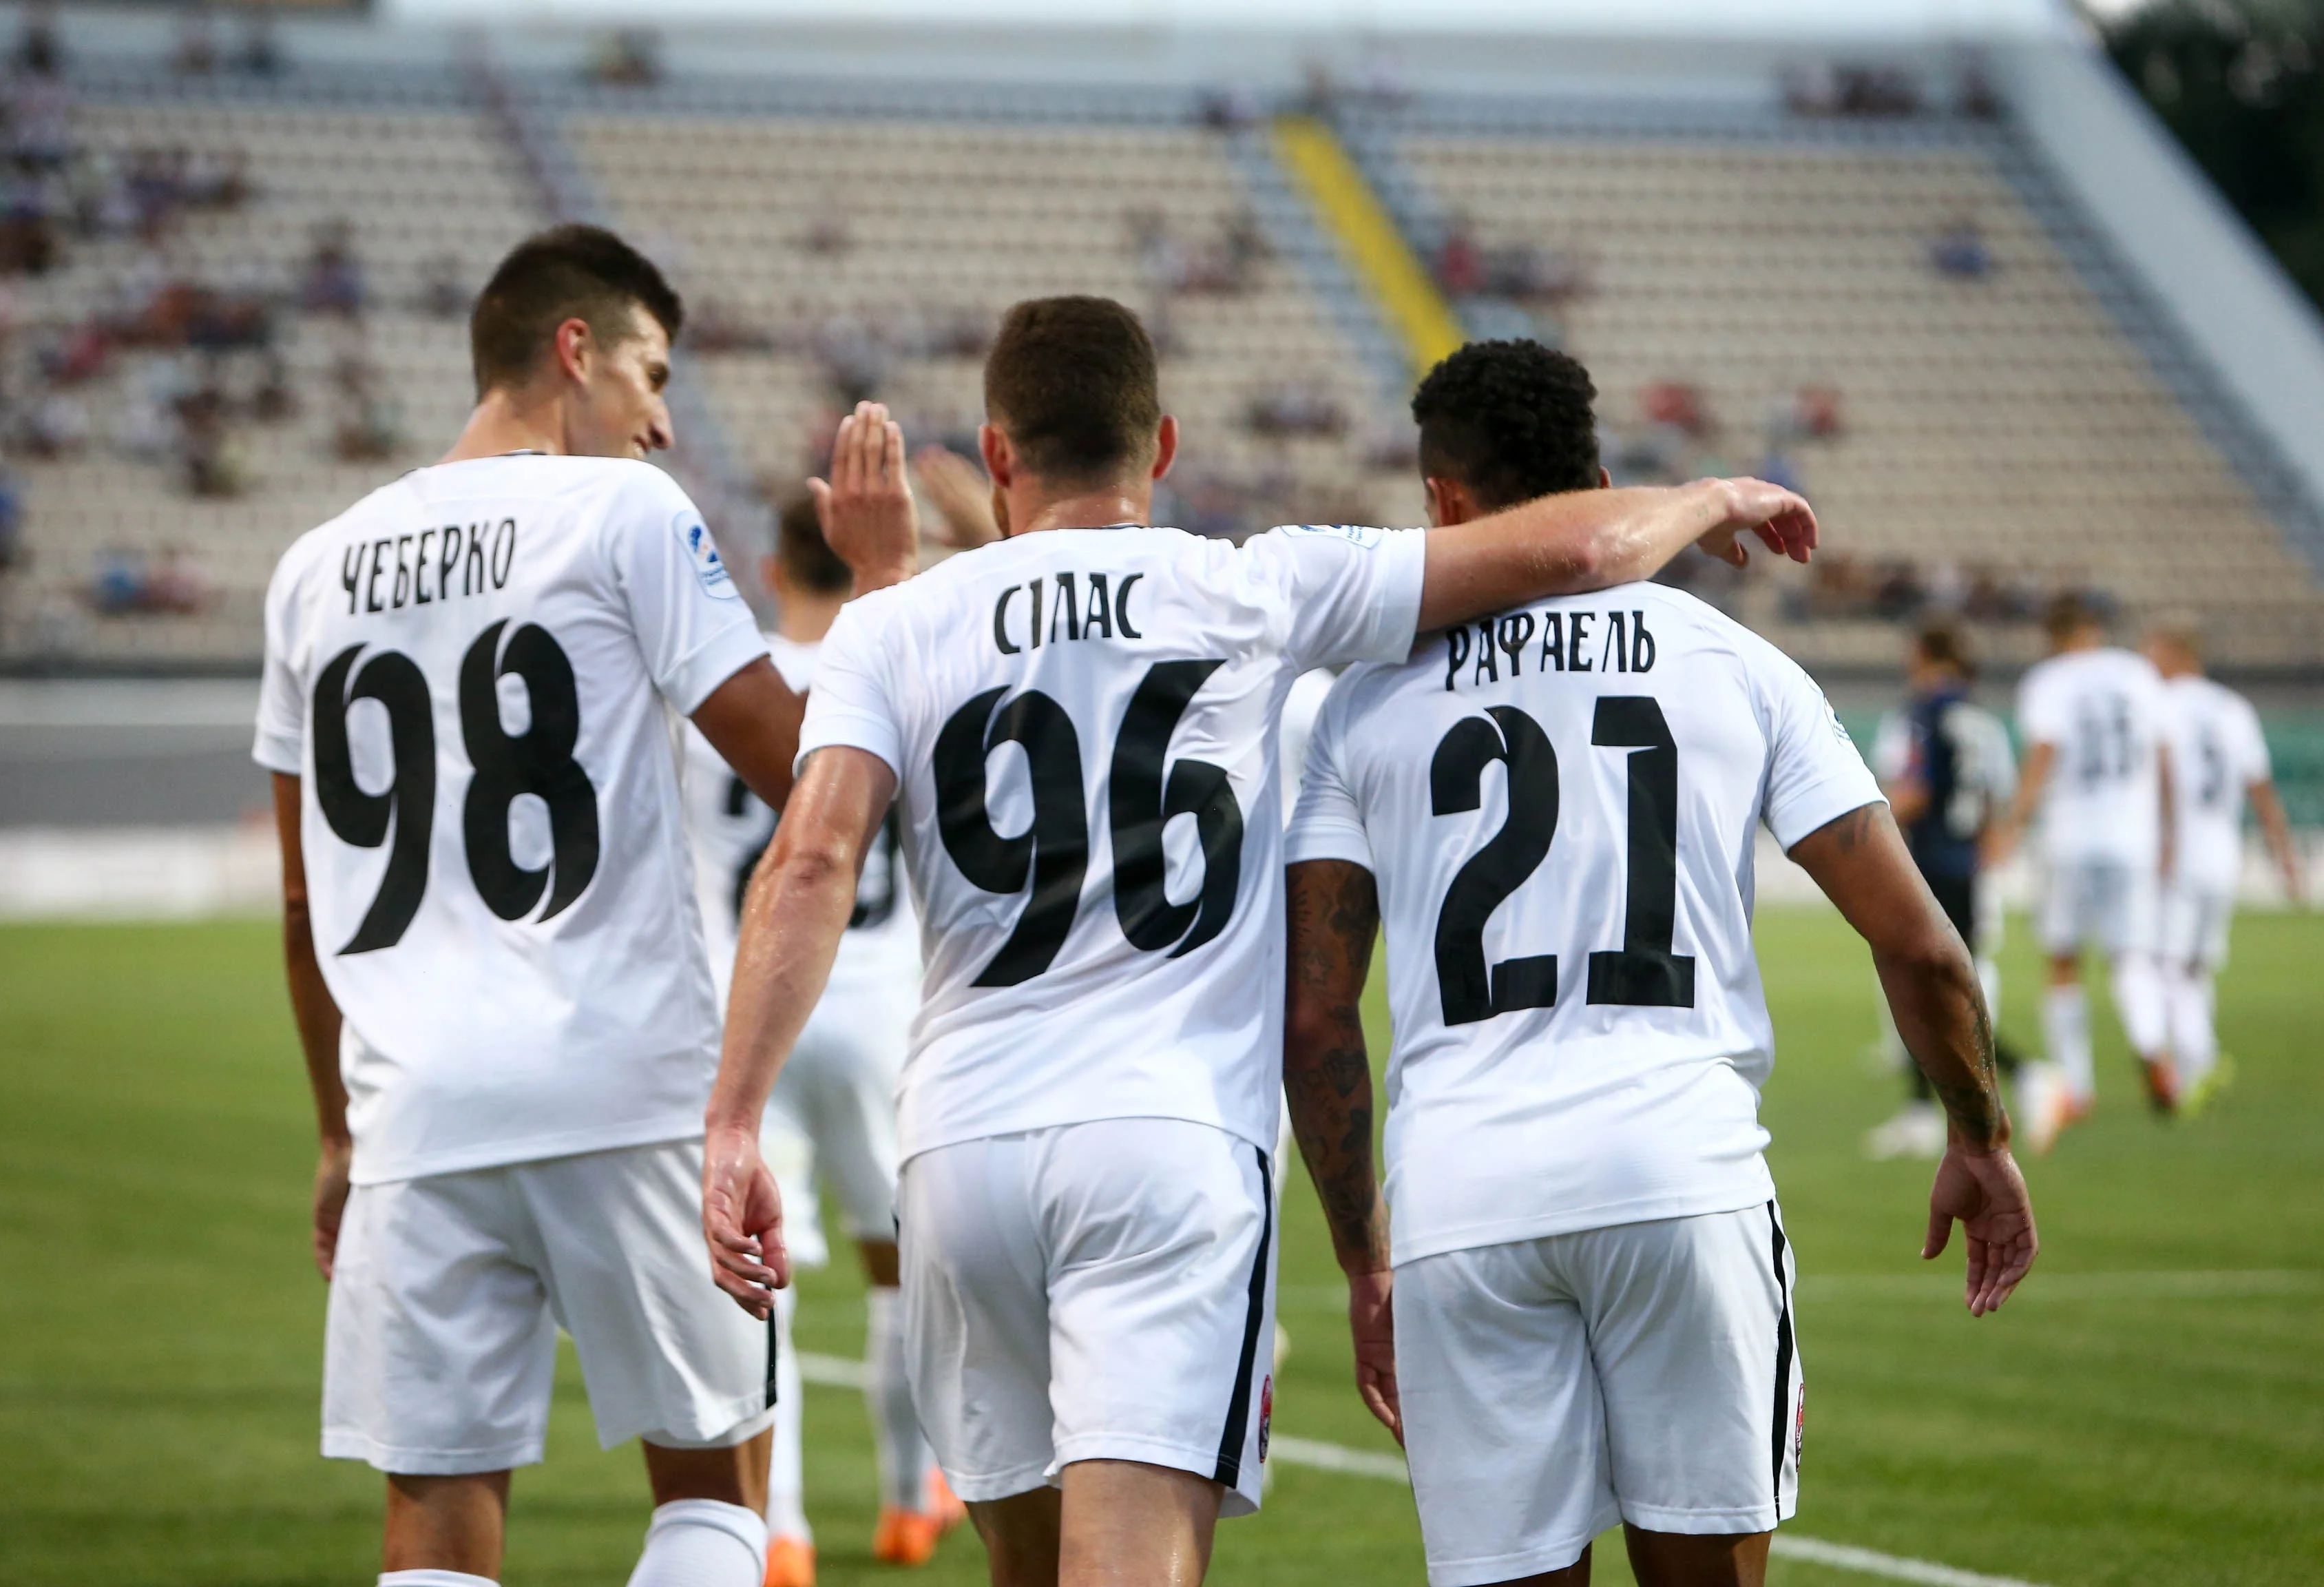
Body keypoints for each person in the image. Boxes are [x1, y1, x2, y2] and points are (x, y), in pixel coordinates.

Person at [697, 297, 1821, 1587]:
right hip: (1165, 1138)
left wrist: (734, 1120)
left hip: (960, 1146)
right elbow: (1576, 549)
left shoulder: (892, 623)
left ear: (999, 452)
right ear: (1163, 444)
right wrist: (1708, 494)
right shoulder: (1249, 583)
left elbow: (812, 858)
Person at [1281, 338, 2036, 1587]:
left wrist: (1365, 1258)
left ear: (1442, 503)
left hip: (1462, 1192)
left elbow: (1317, 1019)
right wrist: (1980, 1134)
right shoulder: (1733, 662)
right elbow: (1921, 945)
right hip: (1680, 1172)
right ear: (1599, 479)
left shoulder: (1359, 704)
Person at [253, 224, 912, 1587]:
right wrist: (888, 596)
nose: (662, 421)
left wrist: (335, 1130)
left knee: (434, 1522)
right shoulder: (624, 513)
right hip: (621, 1082)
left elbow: (304, 899)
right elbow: (801, 767)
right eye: (650, 374)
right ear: (574, 351)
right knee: (718, 1490)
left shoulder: (312, 567)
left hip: (411, 1108)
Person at [680, 495, 961, 1587]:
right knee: (906, 1272)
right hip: (878, 1003)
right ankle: (910, 1501)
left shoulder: (718, 686)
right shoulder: (900, 666)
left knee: (759, 1281)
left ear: (770, 567)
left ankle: (781, 1530)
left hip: (747, 1008)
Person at [1985, 594, 2175, 1153]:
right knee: (2131, 955)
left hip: (2070, 834)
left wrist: (2013, 825)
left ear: (2054, 635)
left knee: (2063, 959)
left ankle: (2077, 1087)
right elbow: (2162, 755)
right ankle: (2153, 1050)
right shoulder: (2138, 674)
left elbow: (2044, 752)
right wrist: (2167, 829)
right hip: (2133, 835)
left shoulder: (2049, 681)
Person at [1864, 619, 2017, 1159]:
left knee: (1921, 985)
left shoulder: (1922, 713)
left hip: (1926, 861)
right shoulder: (1982, 719)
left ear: (1925, 655)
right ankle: (1939, 1107)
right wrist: (1990, 846)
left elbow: (1916, 789)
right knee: (1953, 980)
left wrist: (1867, 829)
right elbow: (1995, 796)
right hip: (1966, 865)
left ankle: (2004, 1082)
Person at [2146, 618, 2304, 1111]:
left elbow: (2159, 778)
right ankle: (2195, 1071)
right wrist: (2285, 857)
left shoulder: (2160, 705)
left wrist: (2162, 842)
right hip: (2223, 853)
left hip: (2178, 852)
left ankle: (2202, 1056)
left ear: (2175, 653)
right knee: (2196, 968)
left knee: (2165, 965)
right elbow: (2262, 789)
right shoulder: (2234, 708)